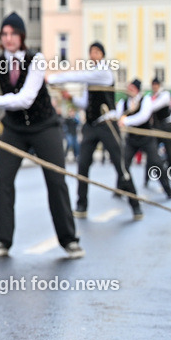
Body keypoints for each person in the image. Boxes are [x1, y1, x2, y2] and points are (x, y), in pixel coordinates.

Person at [0, 12, 84, 259]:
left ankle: (69, 240)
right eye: (4, 34)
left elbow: (25, 98)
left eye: (13, 33)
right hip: (14, 129)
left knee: (56, 181)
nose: (9, 38)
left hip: (45, 126)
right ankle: (2, 240)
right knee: (3, 181)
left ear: (22, 36)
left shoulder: (36, 60)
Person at [47, 41, 142, 220]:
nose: (93, 55)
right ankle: (81, 204)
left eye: (97, 52)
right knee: (82, 165)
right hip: (91, 126)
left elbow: (80, 76)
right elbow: (84, 103)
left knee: (120, 166)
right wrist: (71, 98)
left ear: (102, 55)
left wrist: (53, 78)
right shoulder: (90, 79)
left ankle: (135, 205)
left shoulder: (103, 72)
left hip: (106, 124)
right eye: (91, 52)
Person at [116, 78, 171, 200]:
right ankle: (120, 189)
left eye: (131, 88)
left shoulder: (146, 100)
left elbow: (143, 116)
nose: (129, 90)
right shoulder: (123, 103)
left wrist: (125, 121)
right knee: (123, 163)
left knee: (156, 163)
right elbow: (117, 115)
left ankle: (168, 190)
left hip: (146, 138)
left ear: (137, 90)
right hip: (131, 139)